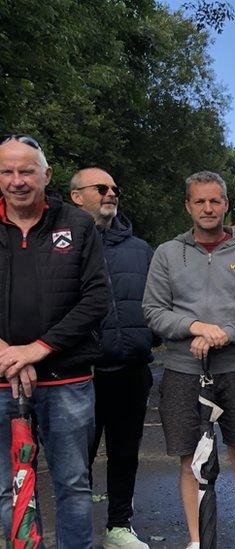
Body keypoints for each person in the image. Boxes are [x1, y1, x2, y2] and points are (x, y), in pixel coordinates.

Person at [143, 171, 235, 549]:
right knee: (190, 459)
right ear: (188, 206)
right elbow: (152, 311)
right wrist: (195, 326)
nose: (208, 208)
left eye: (215, 200)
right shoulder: (168, 253)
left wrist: (224, 333)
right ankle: (196, 539)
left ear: (226, 205)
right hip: (183, 371)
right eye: (199, 201)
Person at [0, 134, 109, 547]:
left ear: (46, 175)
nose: (17, 180)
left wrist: (36, 350)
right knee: (9, 486)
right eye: (7, 171)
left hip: (66, 379)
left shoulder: (78, 225)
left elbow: (97, 299)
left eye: (26, 170)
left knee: (73, 487)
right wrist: (9, 355)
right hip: (0, 380)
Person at [69, 167, 154, 549]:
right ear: (76, 196)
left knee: (124, 453)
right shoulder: (62, 244)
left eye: (115, 188)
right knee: (74, 461)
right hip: (78, 373)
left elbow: (157, 303)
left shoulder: (140, 248)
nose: (111, 193)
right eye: (101, 188)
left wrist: (146, 340)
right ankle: (77, 530)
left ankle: (119, 526)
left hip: (130, 370)